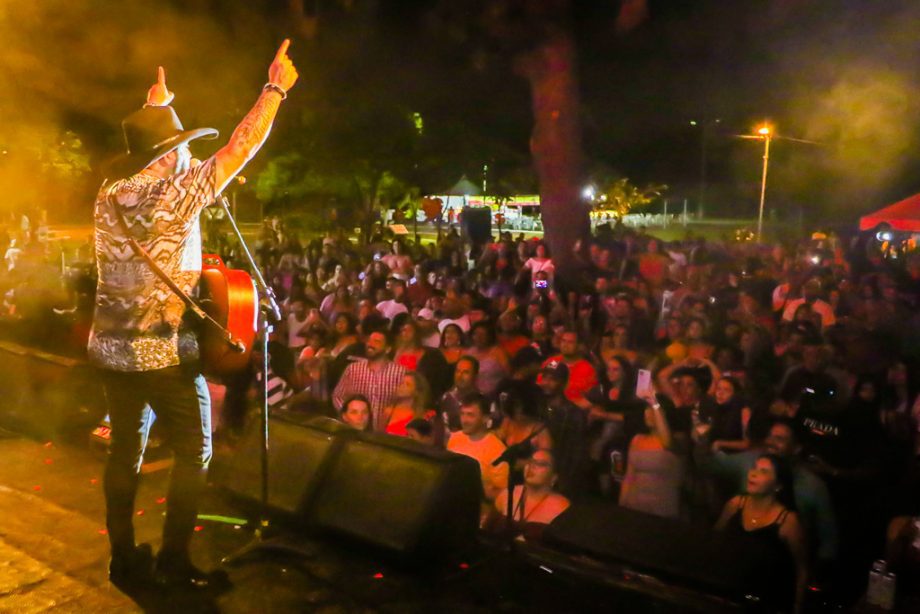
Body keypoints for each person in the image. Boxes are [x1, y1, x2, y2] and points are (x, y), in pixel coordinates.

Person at [89, 44, 298, 589]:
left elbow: (150, 146)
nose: (186, 155)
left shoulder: (108, 196)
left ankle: (121, 557)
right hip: (163, 354)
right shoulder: (179, 195)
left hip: (110, 351)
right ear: (163, 157)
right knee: (194, 450)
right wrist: (274, 90)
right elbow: (239, 148)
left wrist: (155, 107)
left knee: (126, 451)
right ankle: (174, 563)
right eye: (178, 147)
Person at [716, 454, 809, 613]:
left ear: (778, 485)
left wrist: (797, 607)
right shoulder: (735, 504)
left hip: (768, 602)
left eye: (764, 471)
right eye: (754, 468)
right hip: (730, 596)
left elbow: (801, 568)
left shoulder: (788, 521)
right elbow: (714, 543)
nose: (753, 473)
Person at [618, 393, 684, 519]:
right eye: (646, 409)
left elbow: (667, 442)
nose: (647, 413)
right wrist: (621, 505)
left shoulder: (679, 440)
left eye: (652, 409)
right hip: (634, 506)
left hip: (662, 510)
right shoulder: (637, 440)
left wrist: (655, 403)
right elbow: (629, 477)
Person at [447, 392, 509, 520]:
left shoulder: (498, 451)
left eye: (470, 415)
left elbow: (502, 494)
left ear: (485, 418)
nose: (464, 420)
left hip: (475, 517)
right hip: (449, 508)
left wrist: (475, 486)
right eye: (462, 414)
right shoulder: (455, 438)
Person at [489, 449, 571, 541]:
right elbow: (488, 529)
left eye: (541, 464)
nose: (532, 466)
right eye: (530, 461)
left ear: (554, 477)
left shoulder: (561, 506)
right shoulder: (507, 493)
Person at [331, 330, 406, 431]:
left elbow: (406, 403)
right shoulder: (353, 369)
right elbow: (338, 396)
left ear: (387, 349)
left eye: (377, 342)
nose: (370, 344)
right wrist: (351, 415)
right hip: (356, 431)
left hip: (385, 433)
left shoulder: (400, 373)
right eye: (369, 341)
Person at [439, 355, 480, 433]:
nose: (460, 375)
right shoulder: (446, 399)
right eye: (458, 371)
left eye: (465, 372)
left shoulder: (482, 399)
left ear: (475, 376)